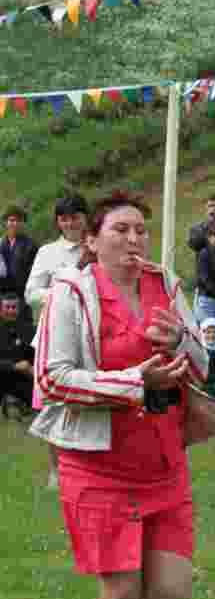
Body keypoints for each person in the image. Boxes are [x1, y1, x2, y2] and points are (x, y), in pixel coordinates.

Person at [29, 190, 208, 599]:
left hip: (164, 462)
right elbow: (51, 378)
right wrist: (135, 381)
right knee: (123, 594)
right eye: (120, 230)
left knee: (173, 595)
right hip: (98, 467)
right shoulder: (72, 291)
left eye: (140, 230)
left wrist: (182, 343)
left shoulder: (166, 285)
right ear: (91, 240)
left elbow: (204, 365)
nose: (134, 239)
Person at [25, 191, 90, 489]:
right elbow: (31, 292)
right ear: (58, 222)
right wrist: (63, 293)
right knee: (53, 402)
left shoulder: (98, 246)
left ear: (85, 218)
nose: (70, 223)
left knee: (89, 400)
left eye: (75, 216)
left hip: (91, 333)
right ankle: (56, 470)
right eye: (64, 218)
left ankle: (87, 467)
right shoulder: (48, 252)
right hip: (54, 332)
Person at [0, 205, 39, 328]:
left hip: (22, 297)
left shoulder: (30, 245)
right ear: (6, 222)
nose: (14, 224)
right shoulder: (1, 243)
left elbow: (35, 273)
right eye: (11, 220)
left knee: (23, 330)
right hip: (3, 296)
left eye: (18, 220)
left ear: (22, 223)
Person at [0, 290, 34, 407]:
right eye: (7, 307)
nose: (11, 310)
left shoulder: (27, 330)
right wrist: (14, 366)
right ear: (1, 310)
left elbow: (33, 353)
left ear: (18, 309)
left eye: (14, 307)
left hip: (22, 379)